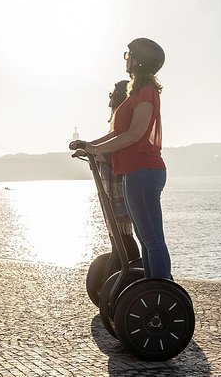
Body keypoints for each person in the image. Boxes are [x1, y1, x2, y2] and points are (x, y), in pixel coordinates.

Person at [70, 38, 170, 279]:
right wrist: (90, 145)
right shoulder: (136, 92)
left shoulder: (146, 92)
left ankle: (163, 291)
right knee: (146, 239)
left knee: (152, 239)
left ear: (139, 61)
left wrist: (95, 150)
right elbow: (118, 133)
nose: (126, 60)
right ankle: (151, 288)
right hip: (134, 172)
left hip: (144, 172)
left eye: (128, 55)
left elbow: (134, 134)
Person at [99, 80, 141, 264]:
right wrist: (90, 148)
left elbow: (120, 149)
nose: (110, 104)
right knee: (117, 237)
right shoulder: (118, 126)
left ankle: (130, 269)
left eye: (113, 98)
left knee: (123, 236)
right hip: (112, 189)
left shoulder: (127, 124)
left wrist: (96, 152)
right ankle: (119, 268)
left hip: (123, 183)